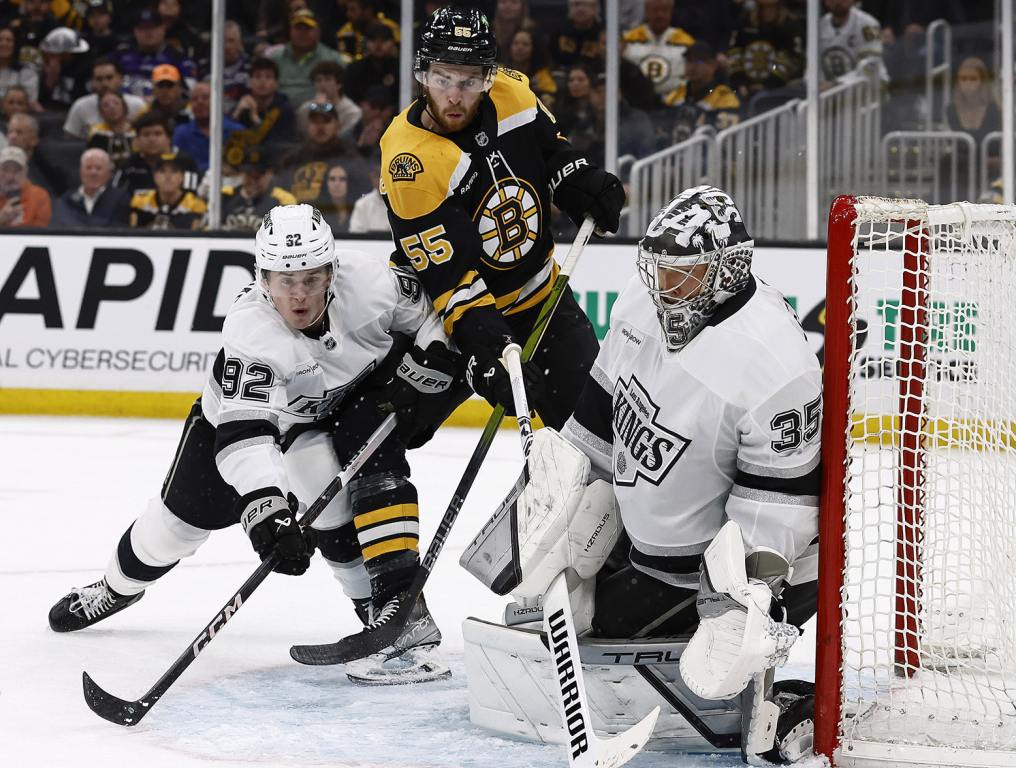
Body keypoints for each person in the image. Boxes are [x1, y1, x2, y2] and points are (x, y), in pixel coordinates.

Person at [461, 186, 821, 764]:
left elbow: (779, 507)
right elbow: (601, 409)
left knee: (692, 654)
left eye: (680, 277)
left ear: (727, 272)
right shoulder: (642, 301)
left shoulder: (775, 367)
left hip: (716, 569)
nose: (661, 291)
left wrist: (736, 603)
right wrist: (567, 506)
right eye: (655, 272)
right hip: (644, 540)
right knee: (532, 604)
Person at [48, 203, 459, 685]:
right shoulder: (252, 329)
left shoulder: (368, 283)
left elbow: (433, 313)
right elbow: (245, 434)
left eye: (310, 278)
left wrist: (435, 355)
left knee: (331, 500)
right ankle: (116, 587)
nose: (299, 295)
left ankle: (378, 616)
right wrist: (266, 508)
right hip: (230, 431)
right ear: (263, 278)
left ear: (331, 269)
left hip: (317, 422)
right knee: (169, 532)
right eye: (285, 281)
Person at [380, 6, 624, 430]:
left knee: (598, 430)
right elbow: (452, 283)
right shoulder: (410, 162)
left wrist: (582, 183)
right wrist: (488, 350)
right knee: (390, 431)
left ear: (489, 77)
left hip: (541, 303)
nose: (455, 95)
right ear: (421, 75)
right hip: (442, 322)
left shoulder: (515, 95)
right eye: (442, 79)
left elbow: (553, 156)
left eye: (470, 80)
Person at [281, 100, 364, 203]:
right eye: (315, 122)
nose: (320, 127)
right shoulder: (293, 159)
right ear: (308, 126)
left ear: (338, 126)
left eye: (326, 121)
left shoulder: (350, 157)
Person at [728, 0, 804, 102]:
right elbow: (735, 52)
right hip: (744, 87)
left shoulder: (790, 24)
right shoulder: (745, 20)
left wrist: (767, 84)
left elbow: (791, 58)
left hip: (780, 89)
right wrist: (740, 82)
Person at [269, 8, 343, 106]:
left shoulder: (333, 59)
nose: (302, 33)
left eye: (308, 28)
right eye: (298, 28)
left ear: (318, 31)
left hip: (320, 114)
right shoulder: (274, 58)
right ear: (290, 30)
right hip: (279, 114)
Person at [621, 0, 695, 98]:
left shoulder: (686, 42)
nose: (660, 14)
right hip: (635, 102)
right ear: (646, 12)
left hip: (675, 104)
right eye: (655, 10)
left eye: (664, 10)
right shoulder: (628, 39)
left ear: (671, 13)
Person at [115, 111, 199, 194]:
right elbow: (114, 197)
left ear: (169, 138)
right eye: (146, 134)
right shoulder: (129, 166)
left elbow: (191, 198)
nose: (152, 140)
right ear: (137, 139)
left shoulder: (185, 163)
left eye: (158, 134)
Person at [63, 58, 147, 140]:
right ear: (92, 82)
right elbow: (69, 140)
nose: (104, 84)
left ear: (121, 79)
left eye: (109, 78)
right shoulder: (80, 106)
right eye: (99, 79)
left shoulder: (137, 104)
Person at [173, 81, 245, 173]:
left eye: (205, 97)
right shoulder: (181, 132)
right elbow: (177, 167)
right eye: (195, 99)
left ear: (217, 100)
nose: (200, 102)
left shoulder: (236, 131)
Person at [220, 146, 297, 232]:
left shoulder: (283, 200)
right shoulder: (225, 196)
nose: (253, 180)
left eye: (258, 175)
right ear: (241, 173)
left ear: (270, 174)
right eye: (249, 174)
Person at [50, 147, 130, 228]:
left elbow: (120, 229)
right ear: (80, 172)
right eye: (88, 168)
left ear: (109, 173)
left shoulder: (121, 199)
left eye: (98, 168)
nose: (93, 173)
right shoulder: (66, 200)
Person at [128, 153, 207, 230]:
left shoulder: (195, 205)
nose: (168, 177)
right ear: (154, 176)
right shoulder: (140, 202)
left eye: (174, 171)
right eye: (162, 171)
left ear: (182, 177)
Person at [818, 0, 887, 87]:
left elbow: (871, 64)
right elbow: (814, 68)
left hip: (870, 89)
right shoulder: (819, 26)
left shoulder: (869, 24)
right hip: (833, 94)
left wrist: (836, 83)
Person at [296, 60, 361, 136]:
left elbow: (344, 140)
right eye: (318, 80)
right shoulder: (305, 110)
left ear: (339, 84)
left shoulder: (352, 112)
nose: (322, 84)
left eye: (328, 79)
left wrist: (322, 108)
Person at [0, 145, 51, 227]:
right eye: (5, 169)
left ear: (26, 172)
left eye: (17, 170)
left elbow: (41, 233)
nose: (10, 176)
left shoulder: (39, 195)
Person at [86, 91, 137, 170]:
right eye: (106, 105)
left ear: (124, 107)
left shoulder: (137, 130)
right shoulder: (96, 133)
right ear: (101, 112)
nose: (112, 107)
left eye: (116, 103)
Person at [0, 26, 39, 103]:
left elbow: (29, 101)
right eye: (0, 40)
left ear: (16, 45)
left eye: (9, 40)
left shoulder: (27, 73)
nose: (3, 44)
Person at [313, 161, 354, 234]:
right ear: (326, 183)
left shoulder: (360, 207)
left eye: (342, 179)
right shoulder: (316, 211)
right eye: (332, 179)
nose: (337, 184)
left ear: (349, 183)